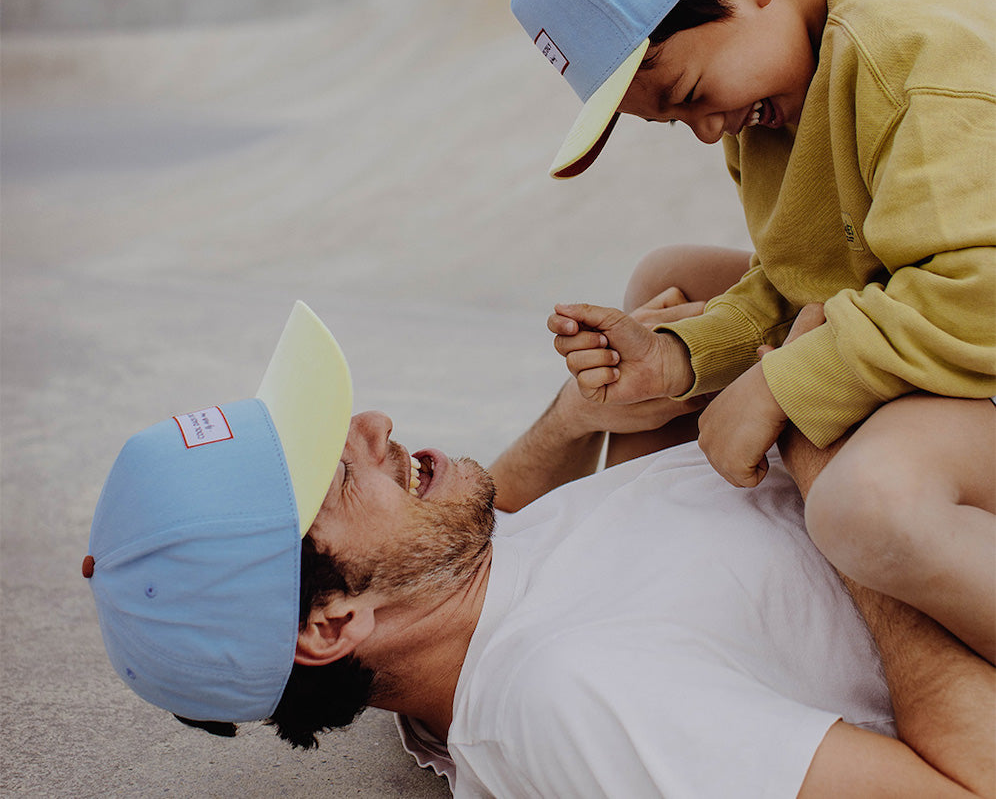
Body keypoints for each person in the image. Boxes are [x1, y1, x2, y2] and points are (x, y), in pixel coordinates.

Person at [84, 299, 995, 798]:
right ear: (330, 625)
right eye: (334, 469)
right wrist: (820, 459)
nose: (371, 423)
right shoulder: (564, 701)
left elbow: (492, 526)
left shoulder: (446, 615)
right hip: (914, 513)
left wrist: (577, 420)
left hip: (907, 465)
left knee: (670, 280)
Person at [509, 0, 996, 663]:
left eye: (693, 95)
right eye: (673, 121)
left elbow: (977, 292)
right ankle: (665, 589)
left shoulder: (914, 41)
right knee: (667, 280)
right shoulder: (773, 86)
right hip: (935, 318)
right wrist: (676, 361)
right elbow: (799, 275)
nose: (707, 132)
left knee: (867, 505)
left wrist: (781, 385)